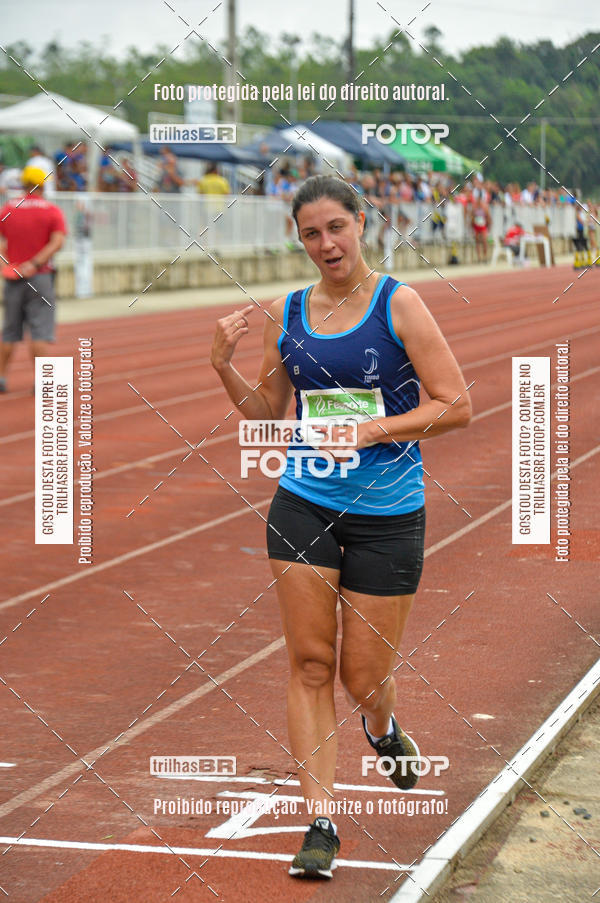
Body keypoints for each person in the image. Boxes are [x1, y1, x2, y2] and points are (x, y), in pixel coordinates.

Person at [210, 175, 471, 880]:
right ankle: (320, 821)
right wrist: (221, 366)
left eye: (336, 228)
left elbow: (457, 404)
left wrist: (374, 428)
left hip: (389, 513)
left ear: (362, 224)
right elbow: (267, 412)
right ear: (299, 241)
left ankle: (382, 727)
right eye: (310, 233)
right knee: (310, 663)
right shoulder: (288, 311)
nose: (326, 244)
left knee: (361, 677)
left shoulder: (399, 304)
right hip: (303, 502)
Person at [0, 166, 67, 392]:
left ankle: (1, 379)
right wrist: (35, 263)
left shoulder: (8, 208)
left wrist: (5, 263)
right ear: (43, 185)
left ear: (23, 184)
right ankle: (41, 382)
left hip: (13, 278)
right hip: (39, 277)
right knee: (39, 331)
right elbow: (57, 242)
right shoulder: (51, 210)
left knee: (9, 331)